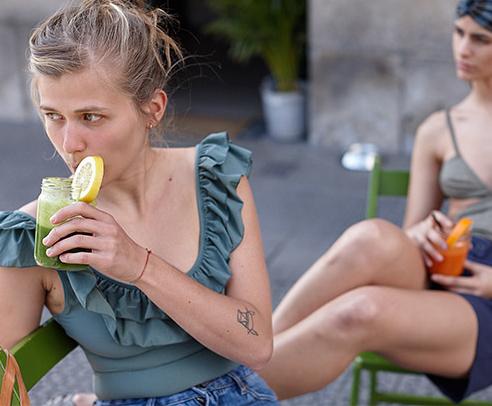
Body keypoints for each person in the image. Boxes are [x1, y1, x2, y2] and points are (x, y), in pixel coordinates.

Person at [0, 1, 278, 405]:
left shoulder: (217, 178)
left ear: (152, 109)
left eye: (91, 117)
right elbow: (5, 385)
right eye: (53, 115)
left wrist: (137, 265)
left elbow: (257, 345)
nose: (69, 143)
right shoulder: (35, 234)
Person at [259, 0, 492, 403]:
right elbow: (408, 233)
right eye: (458, 33)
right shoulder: (439, 128)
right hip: (442, 268)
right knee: (371, 236)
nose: (463, 49)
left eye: (480, 39)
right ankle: (252, 349)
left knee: (360, 311)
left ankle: (212, 391)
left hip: (483, 299)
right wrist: (421, 233)